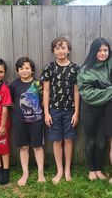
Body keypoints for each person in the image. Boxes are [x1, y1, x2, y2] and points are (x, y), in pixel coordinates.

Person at [41, 37, 80, 184]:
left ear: (68, 50)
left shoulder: (75, 68)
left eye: (63, 48)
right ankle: (60, 170)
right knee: (57, 141)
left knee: (68, 139)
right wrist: (46, 112)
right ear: (53, 51)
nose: (61, 51)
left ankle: (68, 169)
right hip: (54, 110)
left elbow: (77, 92)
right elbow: (46, 91)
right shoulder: (49, 68)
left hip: (70, 110)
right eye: (57, 48)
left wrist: (76, 112)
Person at [77, 37, 112, 181]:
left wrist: (103, 89)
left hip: (106, 110)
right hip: (89, 110)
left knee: (101, 141)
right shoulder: (85, 70)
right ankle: (91, 170)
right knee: (90, 140)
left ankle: (98, 169)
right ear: (94, 52)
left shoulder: (110, 66)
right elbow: (87, 94)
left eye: (105, 50)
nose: (103, 53)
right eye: (100, 50)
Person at [9, 57, 46, 186]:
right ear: (17, 70)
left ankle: (41, 172)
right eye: (21, 68)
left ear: (32, 70)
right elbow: (13, 102)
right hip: (19, 121)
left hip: (36, 121)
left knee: (37, 146)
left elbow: (43, 100)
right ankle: (25, 173)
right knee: (23, 147)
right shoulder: (14, 85)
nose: (24, 71)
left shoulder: (38, 84)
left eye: (27, 68)